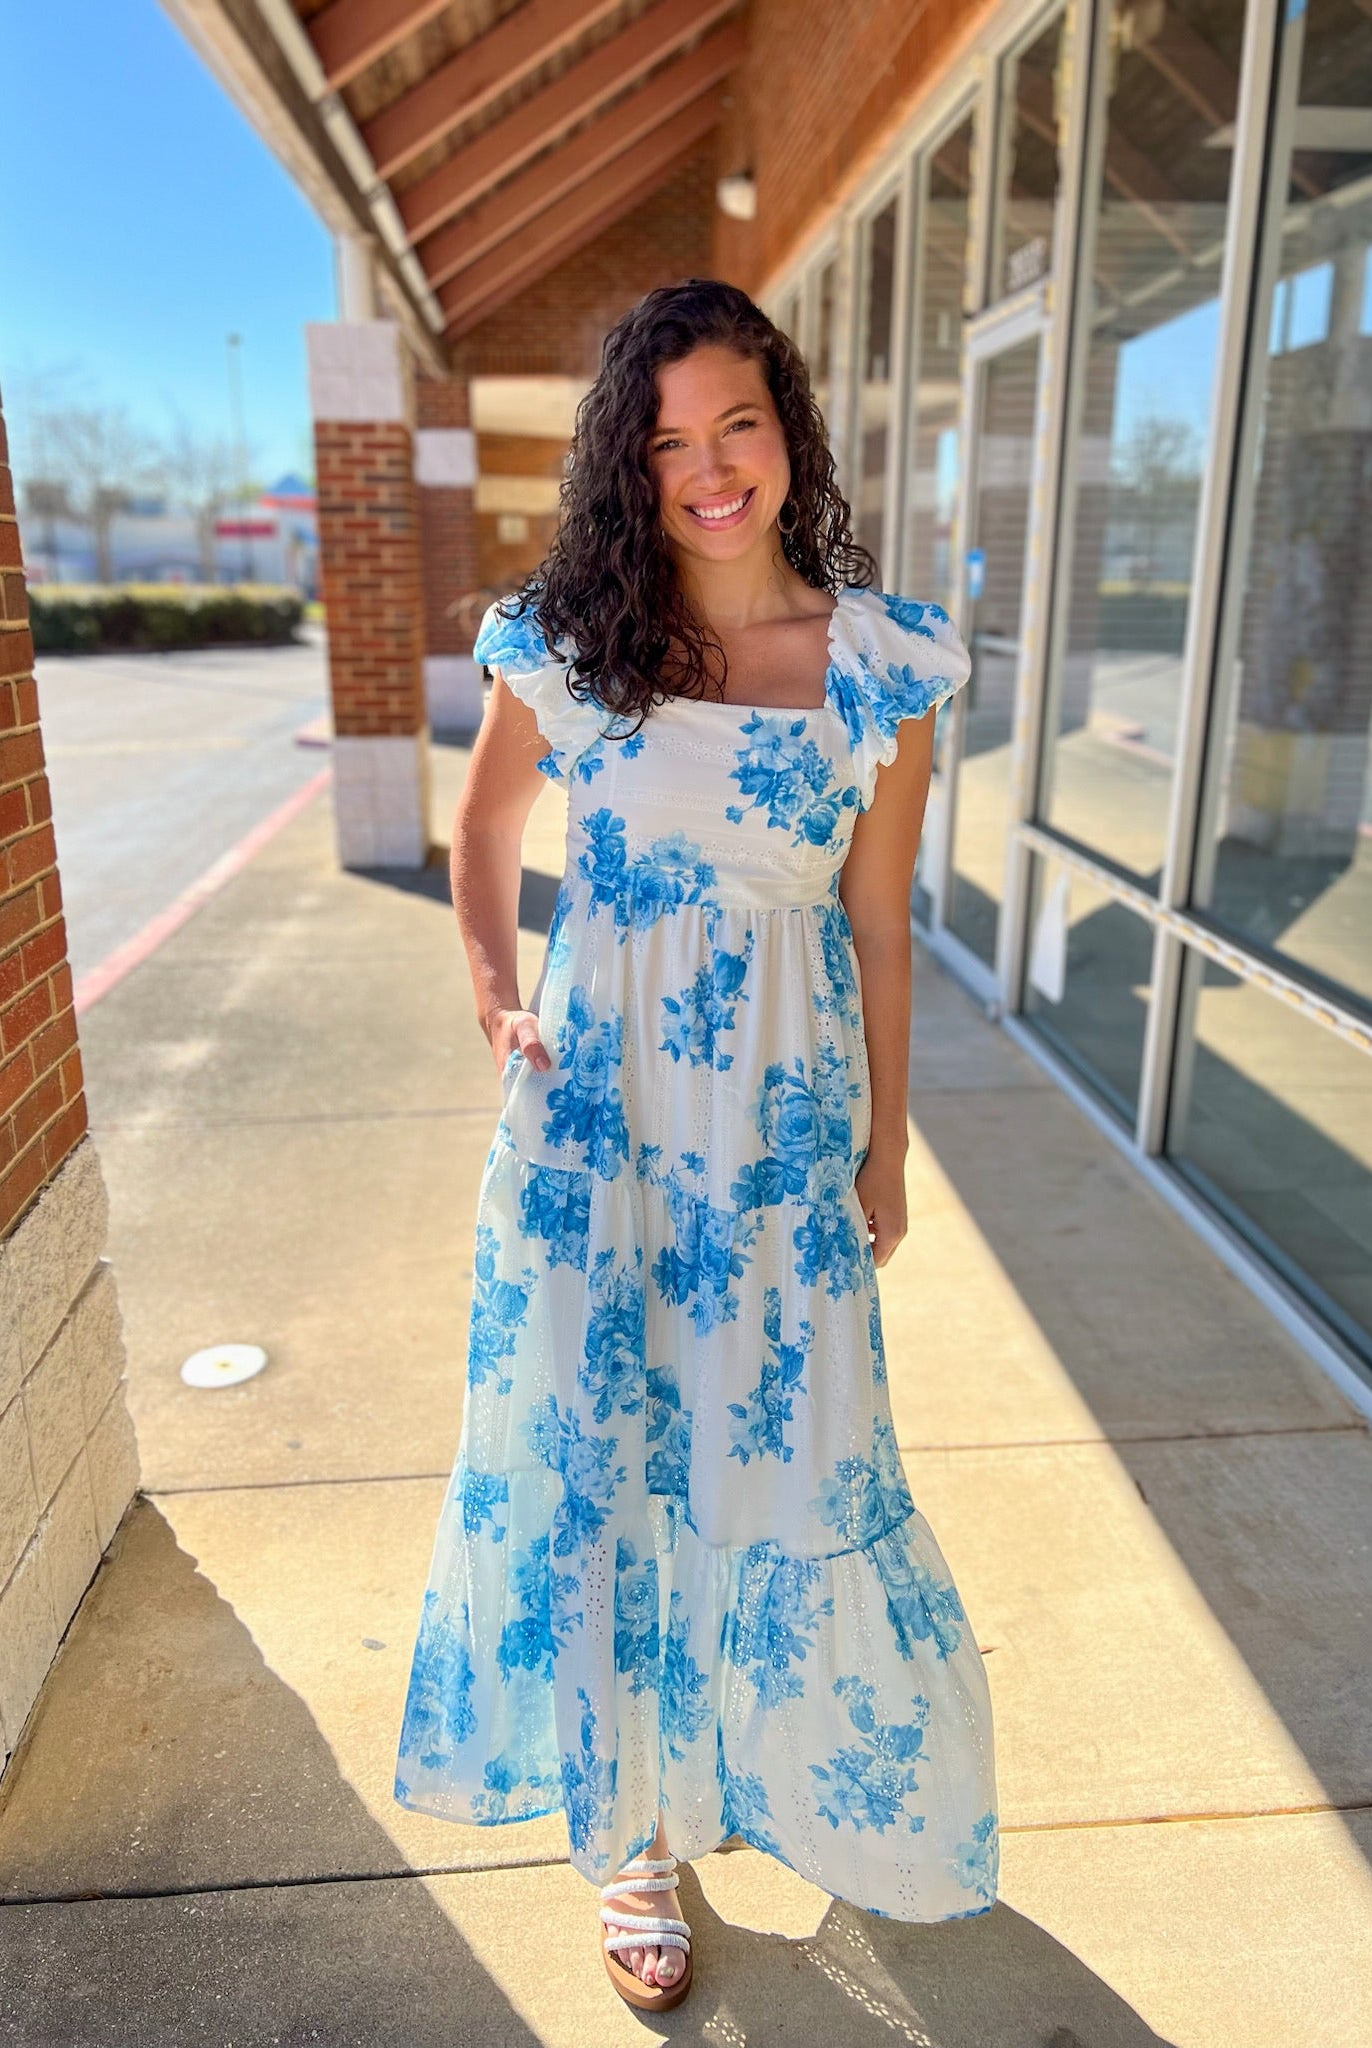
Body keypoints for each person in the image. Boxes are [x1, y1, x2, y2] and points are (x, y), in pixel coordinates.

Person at [393, 278, 998, 2013]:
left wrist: (888, 1143)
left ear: (788, 429)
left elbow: (880, 928)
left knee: (788, 1462)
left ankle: (784, 1780)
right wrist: (499, 1000)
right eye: (665, 445)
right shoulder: (571, 644)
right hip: (599, 1137)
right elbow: (487, 829)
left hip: (777, 1153)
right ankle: (631, 1842)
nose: (708, 471)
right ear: (629, 470)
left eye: (735, 426)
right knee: (604, 1462)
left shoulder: (882, 668)